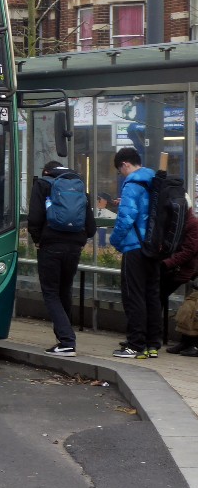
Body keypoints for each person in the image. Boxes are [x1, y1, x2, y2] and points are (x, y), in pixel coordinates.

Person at [27, 161, 96, 357]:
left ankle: (67, 342)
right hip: (74, 248)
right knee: (64, 290)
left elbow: (34, 218)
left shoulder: (42, 184)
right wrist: (78, 240)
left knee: (50, 293)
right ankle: (63, 339)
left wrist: (37, 240)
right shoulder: (78, 185)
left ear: (46, 171)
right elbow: (91, 227)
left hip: (50, 246)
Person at [109, 147, 162, 359]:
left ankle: (135, 344)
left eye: (120, 170)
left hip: (135, 247)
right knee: (152, 295)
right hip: (154, 247)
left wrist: (115, 241)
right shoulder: (154, 181)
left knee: (134, 295)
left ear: (125, 164)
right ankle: (152, 344)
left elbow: (126, 218)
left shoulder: (132, 184)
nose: (121, 174)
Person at [160, 208, 198, 355]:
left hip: (185, 269)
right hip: (188, 272)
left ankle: (193, 343)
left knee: (192, 306)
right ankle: (186, 341)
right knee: (190, 306)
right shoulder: (183, 221)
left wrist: (168, 263)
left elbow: (189, 251)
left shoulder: (192, 223)